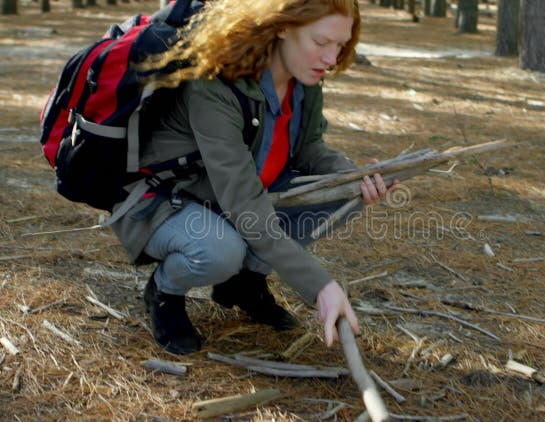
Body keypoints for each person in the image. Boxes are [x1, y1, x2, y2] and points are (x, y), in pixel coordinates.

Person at [111, 0, 397, 355]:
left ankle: (243, 285)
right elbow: (247, 206)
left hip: (232, 200)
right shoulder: (216, 83)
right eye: (321, 42)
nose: (331, 58)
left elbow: (309, 149)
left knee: (344, 195)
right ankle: (164, 291)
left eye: (340, 45)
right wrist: (321, 286)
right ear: (281, 26)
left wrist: (354, 177)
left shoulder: (304, 79)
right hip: (166, 202)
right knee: (221, 250)